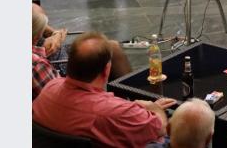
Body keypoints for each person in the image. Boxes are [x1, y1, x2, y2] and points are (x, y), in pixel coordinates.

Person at [33, 32, 176, 148]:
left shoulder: (50, 88)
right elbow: (160, 128)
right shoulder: (113, 113)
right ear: (106, 70)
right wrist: (154, 108)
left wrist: (134, 107)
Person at [32, 3, 132, 99]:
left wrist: (53, 33)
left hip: (56, 53)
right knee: (108, 51)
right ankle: (128, 104)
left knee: (112, 46)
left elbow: (36, 17)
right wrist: (52, 41)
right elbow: (57, 97)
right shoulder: (36, 65)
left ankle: (128, 97)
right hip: (58, 68)